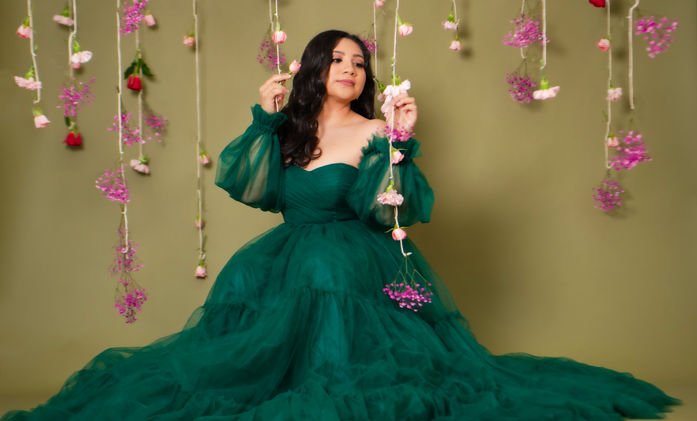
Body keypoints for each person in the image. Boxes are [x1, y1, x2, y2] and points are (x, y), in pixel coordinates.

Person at [2, 29, 680, 421]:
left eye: (360, 62)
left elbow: (387, 210)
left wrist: (400, 143)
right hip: (284, 259)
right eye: (338, 60)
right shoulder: (288, 128)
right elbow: (253, 187)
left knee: (333, 289)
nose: (351, 70)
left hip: (356, 257)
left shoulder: (376, 129)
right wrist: (264, 118)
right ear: (312, 69)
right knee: (240, 351)